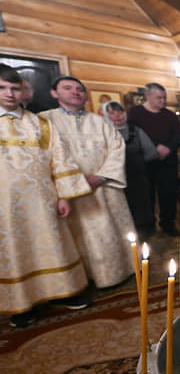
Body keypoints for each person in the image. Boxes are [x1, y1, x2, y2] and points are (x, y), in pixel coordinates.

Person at [0, 64, 92, 327]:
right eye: (2, 88)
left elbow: (59, 160)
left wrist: (64, 195)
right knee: (14, 253)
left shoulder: (39, 124)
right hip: (4, 206)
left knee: (50, 245)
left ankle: (60, 293)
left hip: (42, 201)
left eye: (15, 88)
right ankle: (20, 305)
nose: (9, 94)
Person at [41, 76, 136, 289]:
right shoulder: (44, 121)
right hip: (67, 193)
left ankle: (119, 272)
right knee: (79, 237)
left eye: (80, 89)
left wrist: (101, 176)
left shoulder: (99, 121)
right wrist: (71, 182)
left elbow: (117, 149)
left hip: (105, 188)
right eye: (68, 88)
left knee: (110, 232)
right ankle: (82, 280)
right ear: (54, 93)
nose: (76, 92)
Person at [127, 83, 180, 236]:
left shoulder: (170, 115)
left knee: (168, 196)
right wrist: (151, 149)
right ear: (147, 96)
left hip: (168, 163)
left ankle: (168, 225)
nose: (163, 101)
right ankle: (147, 226)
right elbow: (131, 135)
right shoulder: (135, 113)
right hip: (144, 164)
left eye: (164, 97)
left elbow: (179, 136)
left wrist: (168, 148)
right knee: (146, 196)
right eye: (159, 97)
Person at [103, 100, 159, 236]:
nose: (117, 116)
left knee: (143, 210)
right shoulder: (104, 134)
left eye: (120, 112)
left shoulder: (136, 131)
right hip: (115, 181)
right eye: (112, 113)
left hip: (138, 179)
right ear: (106, 115)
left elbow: (151, 153)